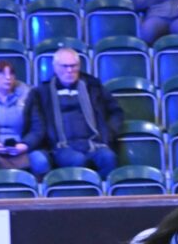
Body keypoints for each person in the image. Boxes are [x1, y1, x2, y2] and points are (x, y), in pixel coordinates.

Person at [27, 48, 124, 179]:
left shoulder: (93, 87)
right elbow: (36, 123)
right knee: (77, 160)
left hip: (93, 143)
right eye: (65, 66)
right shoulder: (42, 92)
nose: (69, 70)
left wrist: (108, 133)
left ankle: (102, 191)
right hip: (61, 146)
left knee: (108, 157)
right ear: (55, 68)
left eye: (73, 66)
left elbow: (116, 112)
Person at [0, 61, 50, 178]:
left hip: (22, 147)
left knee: (41, 161)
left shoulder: (28, 95)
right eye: (2, 74)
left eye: (11, 73)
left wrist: (26, 144)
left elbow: (38, 128)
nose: (8, 78)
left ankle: (38, 189)